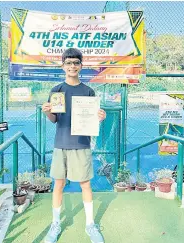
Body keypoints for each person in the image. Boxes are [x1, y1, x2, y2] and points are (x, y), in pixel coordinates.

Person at [42, 48, 106, 243]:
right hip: (61, 144)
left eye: (75, 63)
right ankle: (55, 223)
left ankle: (90, 224)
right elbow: (54, 119)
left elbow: (91, 120)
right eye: (68, 63)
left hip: (81, 144)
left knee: (85, 184)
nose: (72, 66)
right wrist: (47, 111)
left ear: (81, 66)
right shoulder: (56, 91)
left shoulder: (88, 91)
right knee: (58, 184)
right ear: (63, 66)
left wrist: (99, 118)